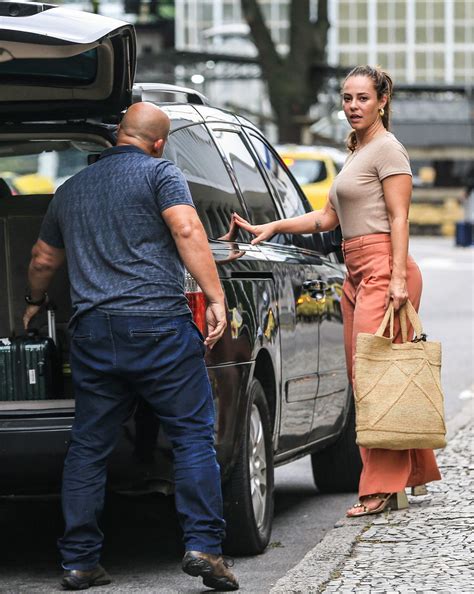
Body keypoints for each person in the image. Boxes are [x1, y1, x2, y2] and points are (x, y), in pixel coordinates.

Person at [22, 102, 239, 591]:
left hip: (95, 332)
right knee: (190, 437)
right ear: (159, 142)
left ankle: (79, 561)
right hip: (159, 327)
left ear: (118, 134)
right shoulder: (161, 173)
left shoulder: (70, 189)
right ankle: (204, 546)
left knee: (88, 448)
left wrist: (34, 302)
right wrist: (216, 296)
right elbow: (186, 229)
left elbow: (41, 258)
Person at [234, 65, 441, 518]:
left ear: (382, 101)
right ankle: (406, 476)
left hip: (386, 271)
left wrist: (398, 281)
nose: (352, 107)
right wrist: (272, 227)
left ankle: (381, 487)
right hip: (356, 271)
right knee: (367, 379)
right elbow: (326, 220)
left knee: (372, 380)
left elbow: (400, 218)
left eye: (362, 98)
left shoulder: (390, 151)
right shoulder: (357, 150)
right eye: (347, 98)